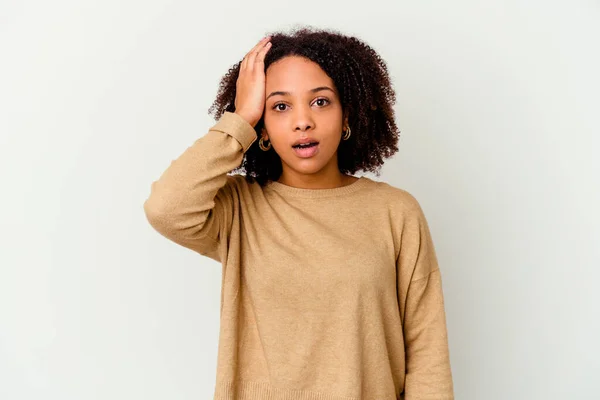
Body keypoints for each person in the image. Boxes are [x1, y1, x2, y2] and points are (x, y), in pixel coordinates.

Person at [144, 27, 454, 400]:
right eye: (280, 106)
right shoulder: (239, 210)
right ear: (264, 130)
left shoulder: (396, 212)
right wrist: (239, 120)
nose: (302, 120)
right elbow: (166, 208)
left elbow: (426, 354)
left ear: (346, 117)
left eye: (321, 102)